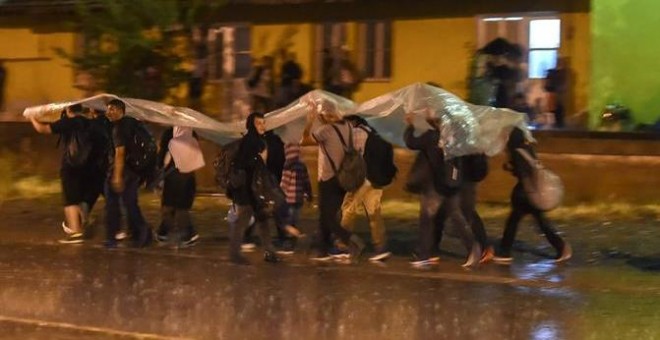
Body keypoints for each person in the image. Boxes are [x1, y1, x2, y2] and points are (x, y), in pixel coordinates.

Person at [403, 111, 481, 268]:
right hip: (450, 183)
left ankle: (424, 255)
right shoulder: (454, 139)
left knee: (426, 219)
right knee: (456, 216)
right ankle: (473, 247)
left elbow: (411, 142)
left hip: (434, 185)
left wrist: (410, 125)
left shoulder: (431, 136)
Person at [493, 128, 572, 263]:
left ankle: (505, 252)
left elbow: (522, 171)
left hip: (526, 192)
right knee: (537, 222)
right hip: (530, 191)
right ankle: (561, 247)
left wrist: (511, 167)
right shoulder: (526, 148)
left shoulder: (517, 152)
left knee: (515, 222)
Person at [303, 105, 366, 262]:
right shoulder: (349, 127)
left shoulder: (326, 130)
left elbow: (304, 141)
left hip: (328, 178)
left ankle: (350, 239)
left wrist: (309, 122)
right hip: (344, 178)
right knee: (328, 215)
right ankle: (322, 251)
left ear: (326, 114)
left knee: (327, 216)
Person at [29, 104, 92, 244]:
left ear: (69, 110)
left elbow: (43, 129)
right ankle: (82, 225)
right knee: (79, 197)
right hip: (86, 166)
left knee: (70, 199)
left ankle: (75, 233)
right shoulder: (88, 122)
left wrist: (32, 117)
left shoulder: (69, 122)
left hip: (70, 166)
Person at [227, 112, 281, 264]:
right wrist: (259, 158)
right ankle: (234, 254)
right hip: (246, 189)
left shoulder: (257, 140)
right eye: (258, 123)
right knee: (243, 220)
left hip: (253, 189)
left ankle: (269, 251)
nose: (262, 126)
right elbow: (244, 164)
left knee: (262, 219)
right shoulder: (251, 141)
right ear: (252, 125)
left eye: (263, 123)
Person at [340, 116, 391, 261]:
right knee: (374, 214)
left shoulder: (356, 133)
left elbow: (349, 152)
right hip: (376, 180)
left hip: (361, 180)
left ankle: (343, 245)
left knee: (348, 209)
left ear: (354, 122)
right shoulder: (375, 134)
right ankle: (381, 248)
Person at [104, 99, 152, 248]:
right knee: (130, 203)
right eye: (107, 109)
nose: (108, 112)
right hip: (133, 171)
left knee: (112, 204)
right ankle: (141, 233)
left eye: (112, 109)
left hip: (122, 170)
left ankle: (112, 237)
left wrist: (117, 175)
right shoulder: (131, 123)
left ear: (120, 110)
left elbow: (120, 153)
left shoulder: (118, 128)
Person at [155, 126, 205, 246]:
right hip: (187, 176)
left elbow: (163, 156)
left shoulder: (170, 135)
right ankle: (164, 232)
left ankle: (188, 234)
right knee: (178, 207)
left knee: (172, 207)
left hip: (174, 177)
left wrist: (159, 171)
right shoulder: (192, 134)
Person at [278, 142, 313, 253]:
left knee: (286, 222)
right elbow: (307, 182)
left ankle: (291, 241)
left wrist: (279, 196)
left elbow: (284, 183)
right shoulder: (302, 165)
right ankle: (293, 242)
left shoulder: (287, 165)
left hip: (288, 199)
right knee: (293, 220)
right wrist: (309, 194)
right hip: (299, 199)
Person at [544, 58, 568, 128]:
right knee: (553, 111)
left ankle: (555, 125)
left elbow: (547, 84)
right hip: (554, 93)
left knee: (555, 110)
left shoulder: (557, 73)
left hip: (555, 94)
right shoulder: (557, 73)